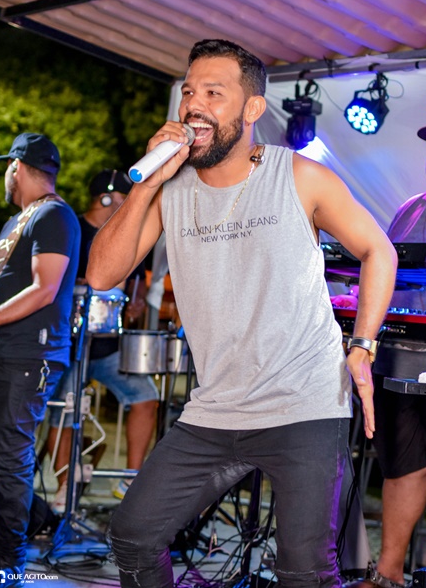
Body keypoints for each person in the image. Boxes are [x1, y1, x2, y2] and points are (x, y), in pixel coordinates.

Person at [86, 38, 397, 588]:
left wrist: (363, 346)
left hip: (305, 404)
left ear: (253, 109)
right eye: (188, 92)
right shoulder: (169, 190)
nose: (193, 105)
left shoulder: (300, 177)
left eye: (213, 93)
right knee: (133, 536)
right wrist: (147, 185)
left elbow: (380, 251)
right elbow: (101, 276)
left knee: (303, 571)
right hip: (216, 410)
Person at [332, 114, 426, 588]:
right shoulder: (410, 209)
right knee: (404, 465)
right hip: (401, 357)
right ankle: (388, 572)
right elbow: (385, 268)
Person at [0, 133, 80, 585]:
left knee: (9, 457)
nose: (5, 176)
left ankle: (6, 561)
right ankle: (27, 525)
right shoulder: (16, 222)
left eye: (7, 168)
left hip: (29, 354)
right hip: (2, 350)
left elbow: (44, 288)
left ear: (17, 167)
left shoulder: (54, 215)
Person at [46, 169, 159, 511]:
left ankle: (131, 481)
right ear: (106, 197)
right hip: (68, 345)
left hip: (110, 344)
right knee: (63, 413)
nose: (129, 207)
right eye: (125, 199)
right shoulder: (71, 229)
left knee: (146, 397)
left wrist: (137, 301)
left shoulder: (127, 234)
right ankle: (65, 489)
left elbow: (137, 281)